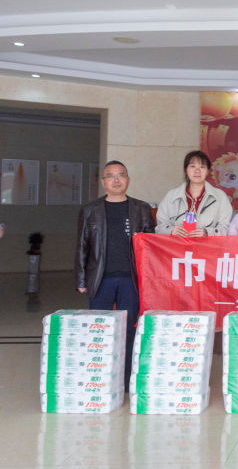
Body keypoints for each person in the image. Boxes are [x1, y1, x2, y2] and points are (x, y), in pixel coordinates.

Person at [75, 160, 155, 391]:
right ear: (103, 182)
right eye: (111, 176)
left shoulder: (141, 208)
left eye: (121, 175)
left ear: (128, 179)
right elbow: (81, 246)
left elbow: (150, 245)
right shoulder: (90, 210)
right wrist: (81, 279)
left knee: (129, 328)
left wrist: (149, 279)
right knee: (99, 328)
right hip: (101, 278)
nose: (116, 180)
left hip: (131, 279)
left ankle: (127, 377)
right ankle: (100, 377)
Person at [155, 150, 232, 236]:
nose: (197, 171)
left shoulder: (220, 197)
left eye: (202, 167)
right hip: (176, 244)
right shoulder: (171, 196)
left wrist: (207, 233)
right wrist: (171, 231)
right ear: (185, 170)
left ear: (207, 171)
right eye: (192, 166)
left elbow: (225, 228)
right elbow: (159, 227)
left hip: (207, 245)